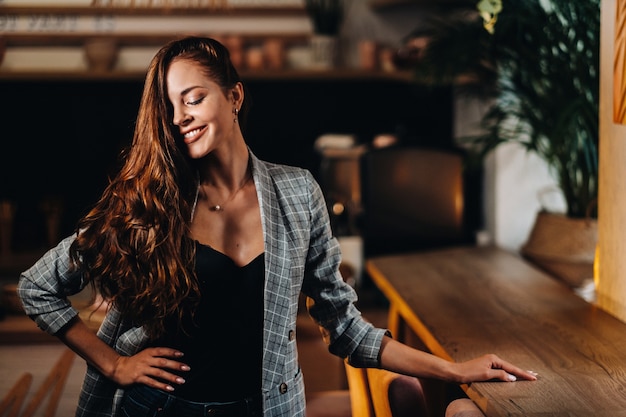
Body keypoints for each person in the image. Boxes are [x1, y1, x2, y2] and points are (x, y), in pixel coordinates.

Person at [17, 36, 537, 417]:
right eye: (169, 107)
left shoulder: (297, 193)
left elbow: (347, 328)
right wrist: (114, 365)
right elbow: (38, 286)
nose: (179, 117)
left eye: (193, 98)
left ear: (235, 96)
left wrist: (453, 370)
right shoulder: (151, 201)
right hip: (157, 409)